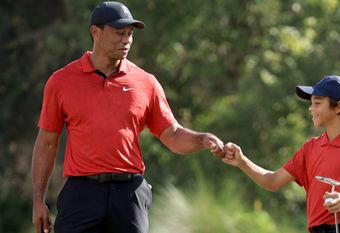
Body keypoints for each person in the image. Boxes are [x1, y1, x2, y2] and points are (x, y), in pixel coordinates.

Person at [31, 2, 224, 233]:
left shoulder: (146, 82)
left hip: (129, 194)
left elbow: (172, 135)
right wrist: (38, 201)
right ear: (95, 32)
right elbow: (47, 143)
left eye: (130, 34)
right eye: (119, 33)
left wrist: (201, 139)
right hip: (81, 192)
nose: (126, 40)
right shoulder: (61, 82)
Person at [222, 75, 340, 233]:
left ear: (339, 106)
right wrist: (242, 162)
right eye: (311, 103)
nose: (311, 108)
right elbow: (272, 181)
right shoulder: (311, 147)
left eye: (317, 103)